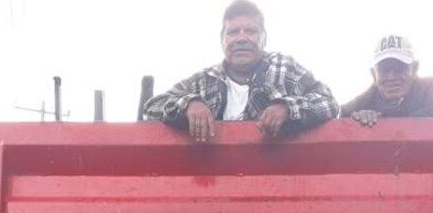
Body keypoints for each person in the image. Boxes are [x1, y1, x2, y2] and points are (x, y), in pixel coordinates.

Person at [143, 0, 338, 142]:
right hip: (212, 180)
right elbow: (151, 109)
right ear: (223, 39)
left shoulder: (284, 68)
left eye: (250, 31)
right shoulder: (204, 80)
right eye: (233, 32)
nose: (241, 38)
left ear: (264, 38)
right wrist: (189, 104)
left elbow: (328, 102)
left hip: (277, 178)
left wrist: (287, 108)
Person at [341, 35, 433, 127]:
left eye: (400, 68)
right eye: (384, 69)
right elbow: (342, 119)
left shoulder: (430, 88)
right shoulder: (361, 104)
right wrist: (357, 121)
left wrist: (381, 121)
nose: (391, 77)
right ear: (374, 75)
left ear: (414, 69)